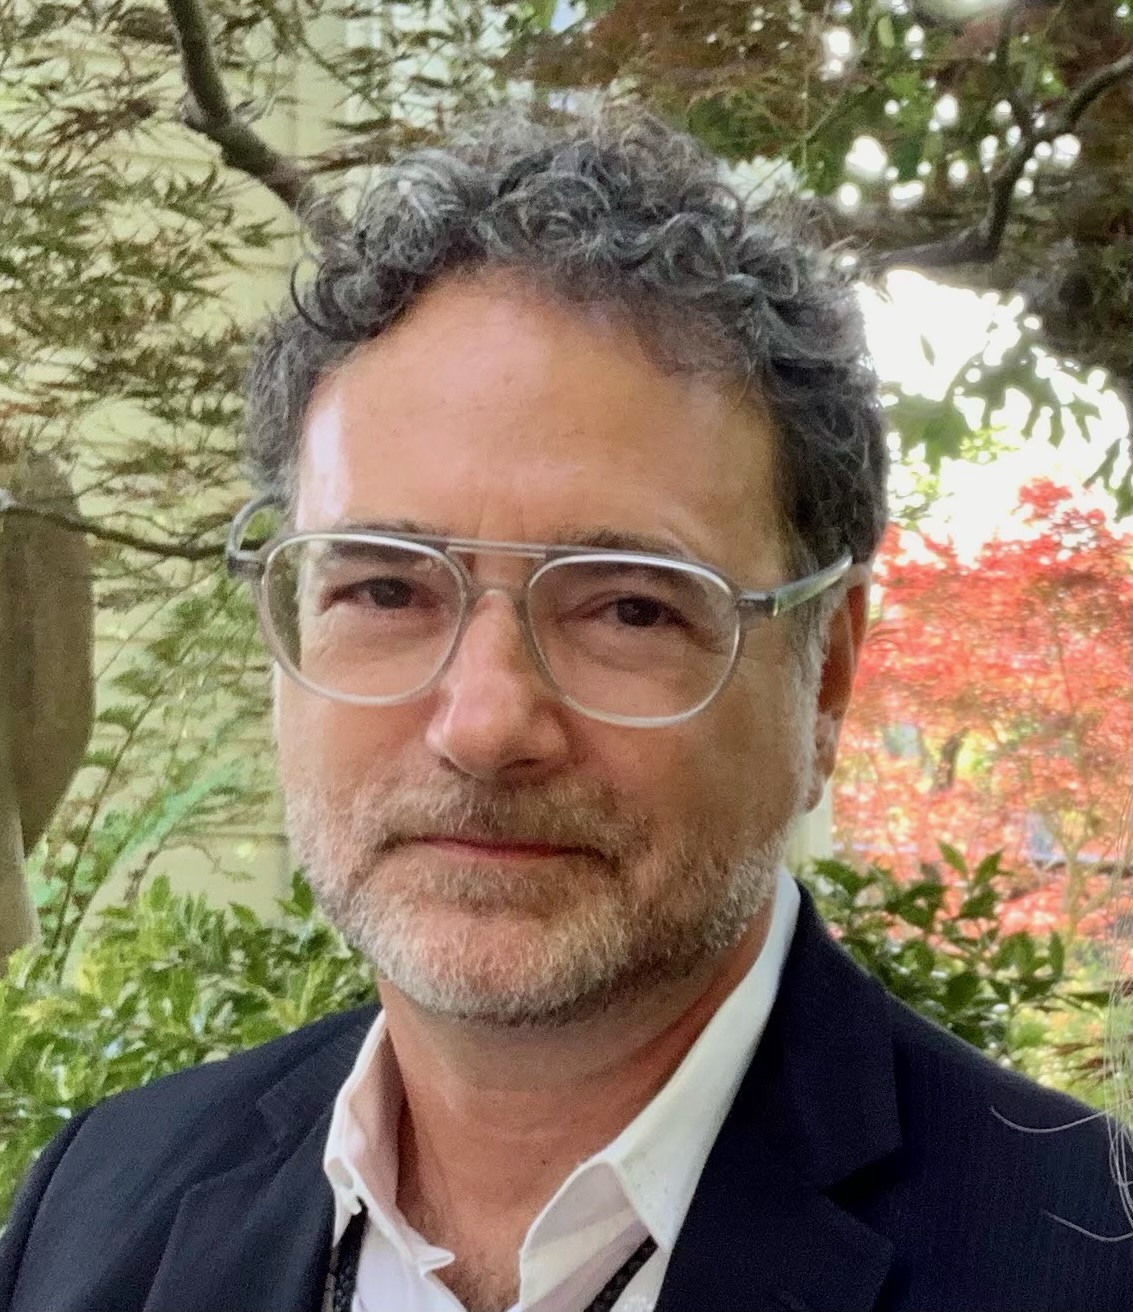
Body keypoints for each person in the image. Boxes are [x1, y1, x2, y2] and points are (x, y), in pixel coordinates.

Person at [1, 108, 1127, 1312]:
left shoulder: (1080, 1264)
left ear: (826, 682)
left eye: (631, 609)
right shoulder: (97, 1206)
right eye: (383, 585)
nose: (483, 725)